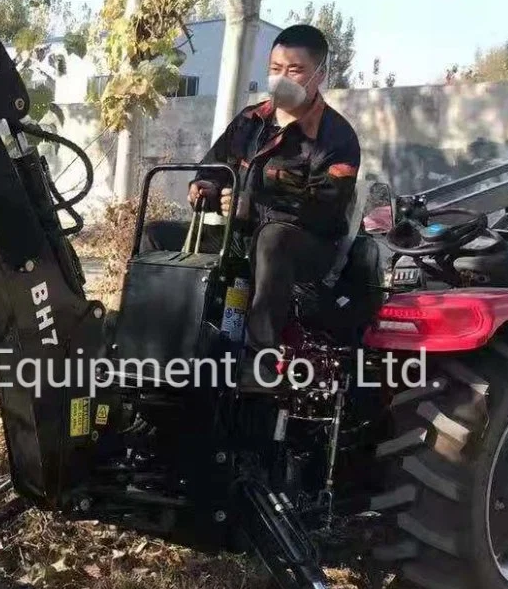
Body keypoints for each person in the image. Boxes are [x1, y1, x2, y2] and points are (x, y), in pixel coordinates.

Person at [143, 24, 362, 360]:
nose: (282, 78)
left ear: (320, 74)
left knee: (273, 238)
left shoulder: (336, 138)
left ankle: (258, 355)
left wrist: (254, 207)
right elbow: (214, 166)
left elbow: (325, 212)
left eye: (294, 70)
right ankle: (154, 341)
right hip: (240, 236)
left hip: (305, 249)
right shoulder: (250, 121)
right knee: (156, 236)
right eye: (275, 69)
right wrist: (204, 187)